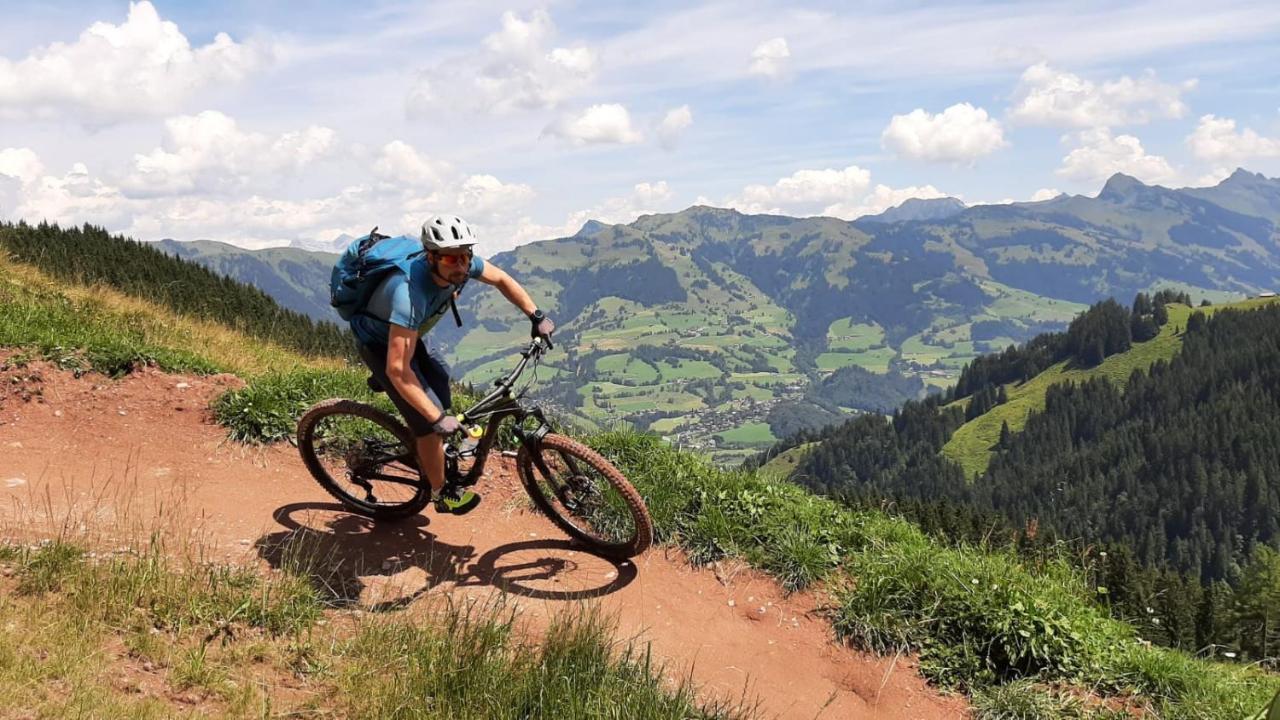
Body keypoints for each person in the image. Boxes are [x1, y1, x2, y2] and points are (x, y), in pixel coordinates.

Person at [348, 215, 554, 514]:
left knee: (441, 384)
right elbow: (397, 368)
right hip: (382, 347)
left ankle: (435, 445)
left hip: (410, 336)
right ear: (431, 256)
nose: (461, 265)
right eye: (451, 259)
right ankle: (440, 493)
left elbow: (501, 279)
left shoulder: (462, 263)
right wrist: (434, 418)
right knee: (430, 426)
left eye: (466, 256)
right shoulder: (408, 293)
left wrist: (535, 316)